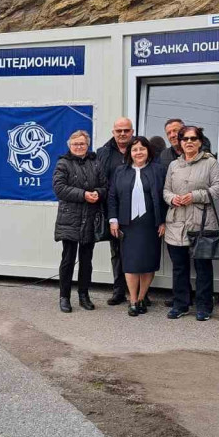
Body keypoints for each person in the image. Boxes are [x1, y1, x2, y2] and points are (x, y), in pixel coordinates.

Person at [163, 126, 219, 321]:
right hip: (176, 223)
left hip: (202, 222)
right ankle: (181, 304)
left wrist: (194, 196)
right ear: (180, 143)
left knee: (202, 267)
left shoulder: (210, 163)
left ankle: (204, 306)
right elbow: (165, 190)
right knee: (179, 267)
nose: (189, 142)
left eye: (193, 138)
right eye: (185, 139)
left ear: (200, 141)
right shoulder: (173, 165)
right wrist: (173, 199)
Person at [108, 136, 167, 316]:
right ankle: (132, 300)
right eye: (135, 150)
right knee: (131, 264)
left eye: (142, 149)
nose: (138, 152)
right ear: (129, 153)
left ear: (148, 151)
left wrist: (163, 220)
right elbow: (112, 197)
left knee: (148, 263)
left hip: (151, 224)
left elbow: (164, 197)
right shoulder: (120, 171)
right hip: (128, 225)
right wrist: (113, 219)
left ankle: (142, 298)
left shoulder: (158, 170)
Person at [52, 130, 108, 313]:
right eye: (75, 144)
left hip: (90, 218)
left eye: (82, 144)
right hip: (70, 218)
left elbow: (105, 186)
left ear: (87, 145)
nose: (79, 147)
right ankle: (64, 297)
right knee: (68, 259)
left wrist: (98, 193)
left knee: (86, 260)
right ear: (69, 145)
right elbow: (59, 188)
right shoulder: (63, 163)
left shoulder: (96, 163)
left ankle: (84, 295)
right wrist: (83, 195)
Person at [96, 117, 134, 304]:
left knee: (137, 251)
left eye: (126, 130)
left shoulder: (140, 149)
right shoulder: (103, 152)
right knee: (117, 252)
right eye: (119, 130)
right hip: (113, 210)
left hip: (137, 209)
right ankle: (119, 291)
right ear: (113, 132)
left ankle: (140, 293)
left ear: (132, 132)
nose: (122, 134)